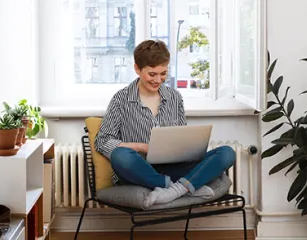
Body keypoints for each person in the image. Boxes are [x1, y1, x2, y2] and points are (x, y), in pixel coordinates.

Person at [95, 40, 235, 207]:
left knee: (227, 153)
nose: (158, 79)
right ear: (137, 69)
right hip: (140, 169)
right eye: (152, 74)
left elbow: (182, 135)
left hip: (175, 167)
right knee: (120, 156)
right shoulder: (121, 99)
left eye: (163, 73)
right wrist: (140, 147)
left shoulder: (174, 97)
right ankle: (182, 186)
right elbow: (102, 141)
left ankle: (173, 190)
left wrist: (188, 148)